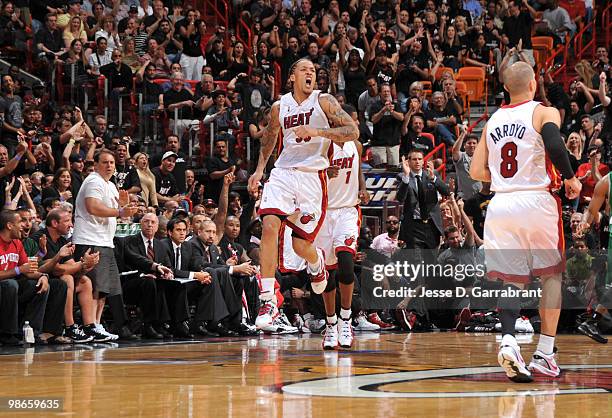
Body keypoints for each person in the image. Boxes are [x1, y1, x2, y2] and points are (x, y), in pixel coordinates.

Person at [470, 61, 582, 382]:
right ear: (533, 84)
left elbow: (477, 172)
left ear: (506, 87)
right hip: (536, 200)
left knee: (512, 278)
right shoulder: (544, 111)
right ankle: (545, 353)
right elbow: (555, 144)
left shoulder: (492, 121)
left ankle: (508, 340)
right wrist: (571, 177)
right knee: (551, 276)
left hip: (501, 204)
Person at [247, 58, 359, 332]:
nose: (311, 73)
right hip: (284, 172)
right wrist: (260, 170)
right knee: (270, 224)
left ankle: (316, 262)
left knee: (301, 245)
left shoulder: (324, 101)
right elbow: (271, 138)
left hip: (312, 177)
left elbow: (352, 131)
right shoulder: (279, 107)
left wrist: (317, 131)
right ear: (291, 77)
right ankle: (268, 299)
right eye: (304, 70)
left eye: (313, 71)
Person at [72, 149, 139, 340]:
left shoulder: (109, 185)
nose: (109, 165)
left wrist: (123, 207)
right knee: (94, 286)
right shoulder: (94, 181)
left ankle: (97, 324)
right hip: (90, 240)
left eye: (112, 162)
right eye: (105, 162)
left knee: (103, 289)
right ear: (96, 165)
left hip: (104, 241)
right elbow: (93, 207)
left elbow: (115, 212)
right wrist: (120, 212)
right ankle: (90, 325)